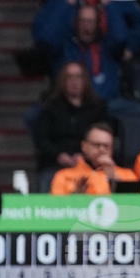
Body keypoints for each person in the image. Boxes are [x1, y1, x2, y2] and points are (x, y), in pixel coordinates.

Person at [32, 61, 114, 193]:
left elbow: (106, 135)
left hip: (90, 164)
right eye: (69, 77)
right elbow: (41, 139)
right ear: (62, 81)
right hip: (55, 164)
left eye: (78, 77)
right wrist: (59, 155)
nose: (74, 82)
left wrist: (85, 156)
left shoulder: (97, 107)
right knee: (47, 179)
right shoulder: (50, 107)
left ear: (85, 80)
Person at [33, 4, 132, 104]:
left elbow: (120, 37)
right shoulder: (64, 47)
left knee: (137, 111)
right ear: (76, 23)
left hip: (107, 105)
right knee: (35, 114)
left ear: (98, 24)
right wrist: (68, 2)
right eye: (82, 21)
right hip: (70, 106)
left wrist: (109, 5)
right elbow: (46, 38)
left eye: (90, 21)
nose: (86, 25)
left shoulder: (108, 47)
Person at [50, 123, 137, 195]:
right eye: (96, 145)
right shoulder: (63, 176)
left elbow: (136, 207)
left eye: (106, 146)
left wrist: (114, 180)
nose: (102, 149)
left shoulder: (127, 175)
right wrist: (74, 198)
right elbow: (53, 210)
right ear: (84, 146)